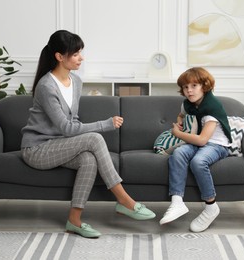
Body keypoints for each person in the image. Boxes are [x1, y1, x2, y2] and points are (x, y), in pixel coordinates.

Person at [21, 30, 155, 238]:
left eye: (80, 53)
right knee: (95, 137)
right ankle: (124, 200)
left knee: (89, 160)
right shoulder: (46, 86)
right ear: (59, 56)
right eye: (75, 54)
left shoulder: (75, 81)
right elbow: (67, 128)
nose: (81, 58)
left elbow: (72, 120)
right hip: (38, 149)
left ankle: (74, 220)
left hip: (60, 145)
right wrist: (106, 124)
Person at [159, 67, 232, 232]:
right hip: (198, 142)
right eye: (185, 87)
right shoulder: (188, 104)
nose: (189, 90)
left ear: (204, 86)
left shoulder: (212, 107)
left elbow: (202, 140)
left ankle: (211, 206)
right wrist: (180, 122)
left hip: (216, 145)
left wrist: (177, 133)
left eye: (194, 86)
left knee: (198, 161)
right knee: (178, 154)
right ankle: (177, 202)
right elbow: (181, 114)